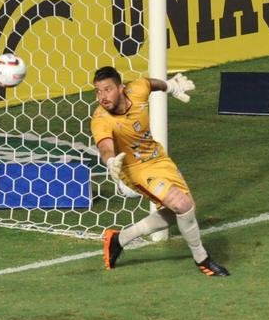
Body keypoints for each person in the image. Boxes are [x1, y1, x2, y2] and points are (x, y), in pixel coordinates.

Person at [91, 66, 229, 276]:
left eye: (107, 89)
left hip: (159, 158)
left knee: (185, 209)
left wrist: (171, 87)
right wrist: (110, 161)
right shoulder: (101, 119)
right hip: (135, 169)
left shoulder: (137, 89)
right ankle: (203, 259)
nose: (102, 96)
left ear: (121, 88)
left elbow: (150, 83)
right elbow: (105, 147)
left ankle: (119, 239)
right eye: (98, 91)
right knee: (181, 205)